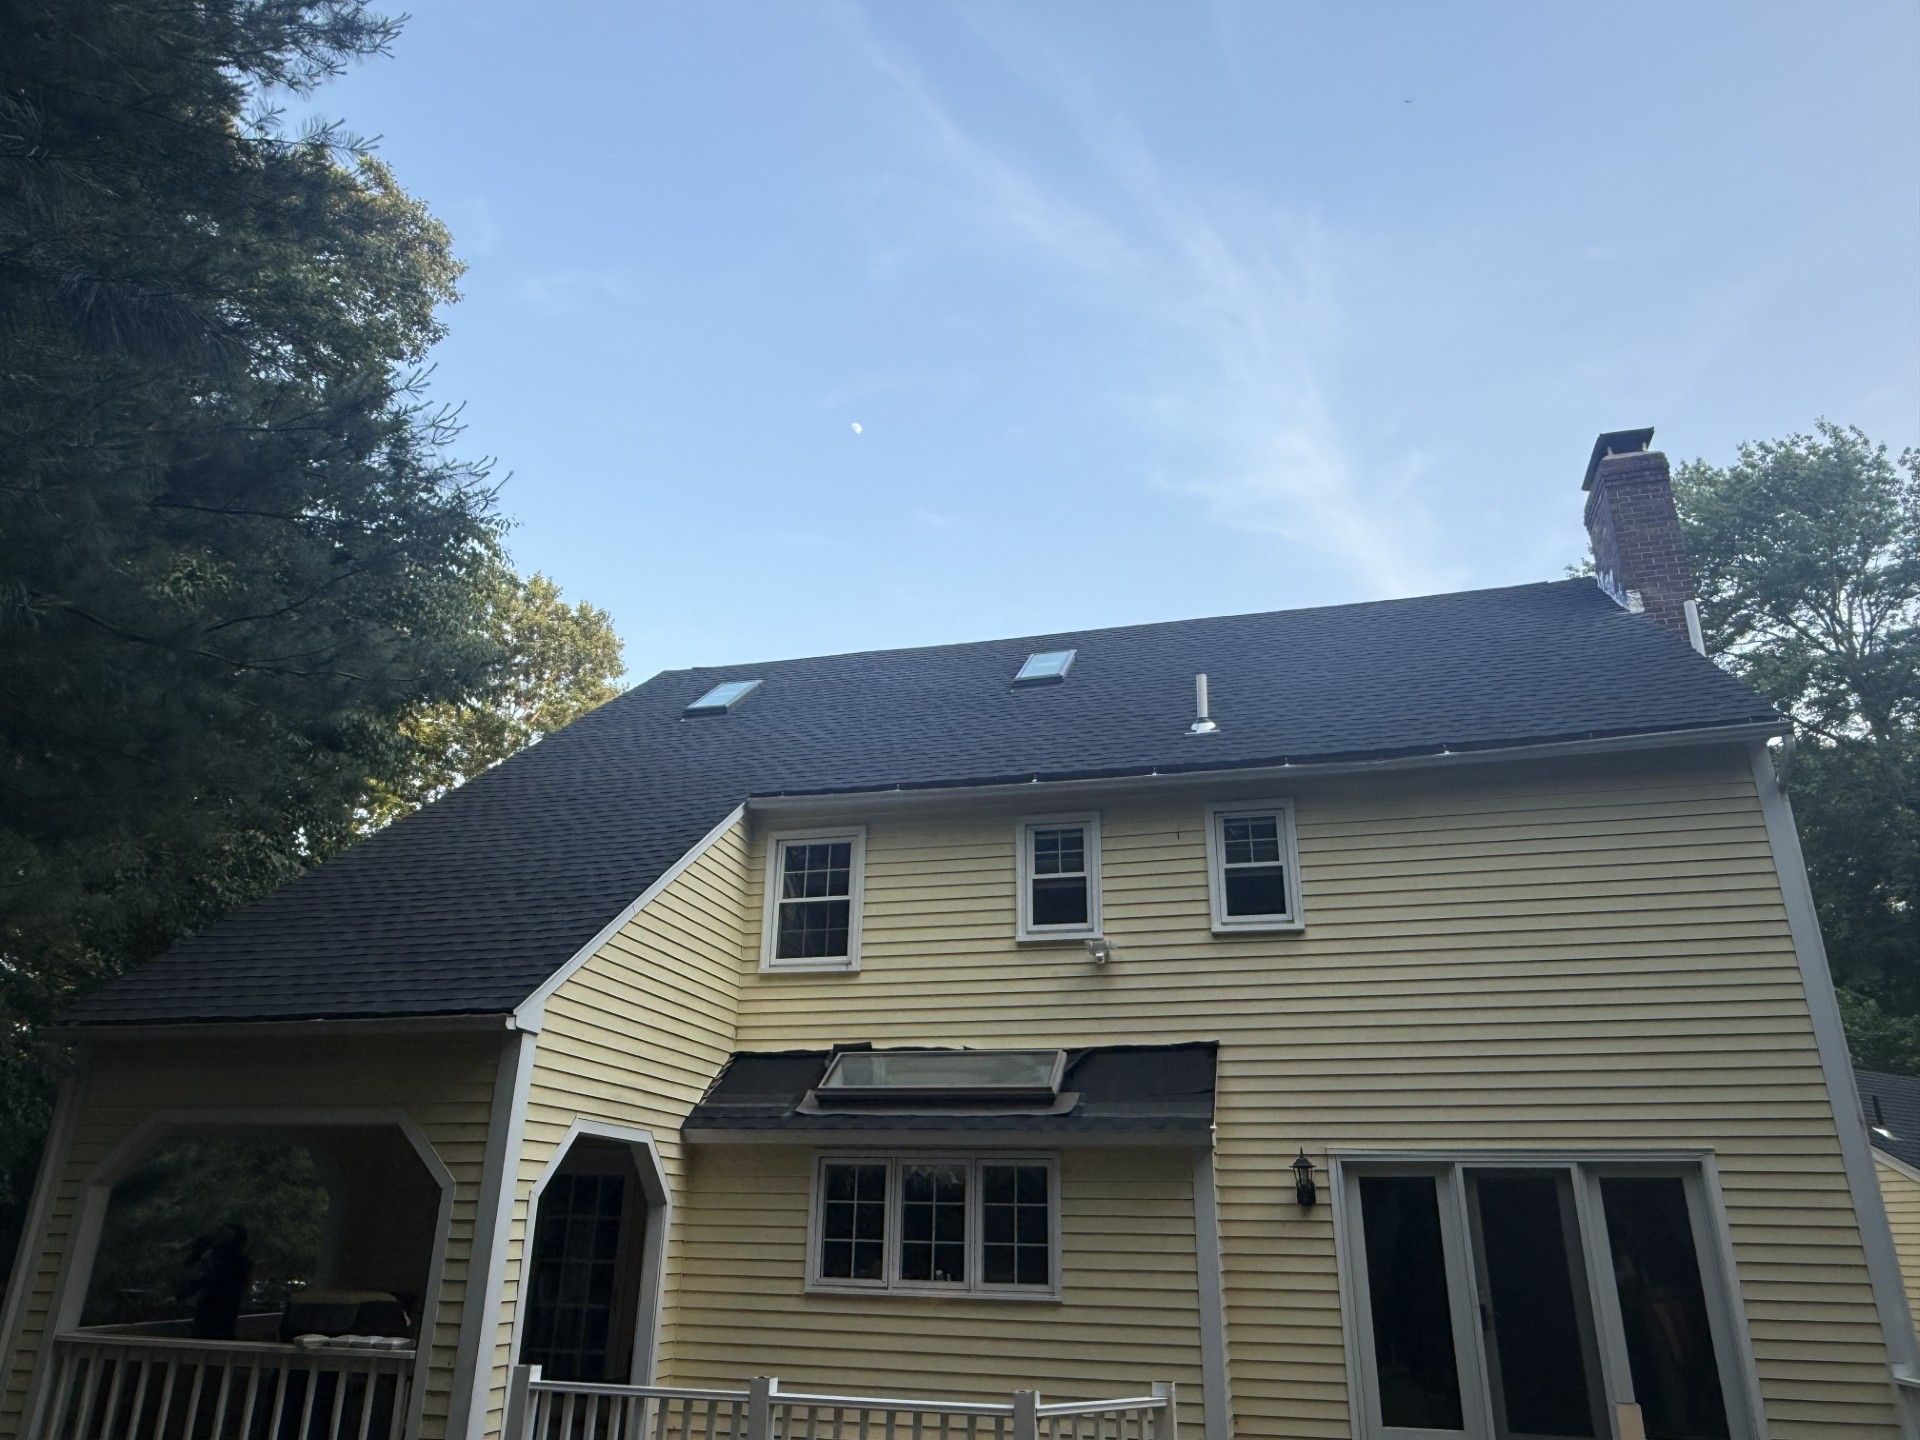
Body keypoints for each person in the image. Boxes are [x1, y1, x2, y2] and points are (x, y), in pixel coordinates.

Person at [183, 1222, 252, 1339]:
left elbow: (206, 1279)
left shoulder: (230, 1262)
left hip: (217, 1314)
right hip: (216, 1315)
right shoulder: (236, 1262)